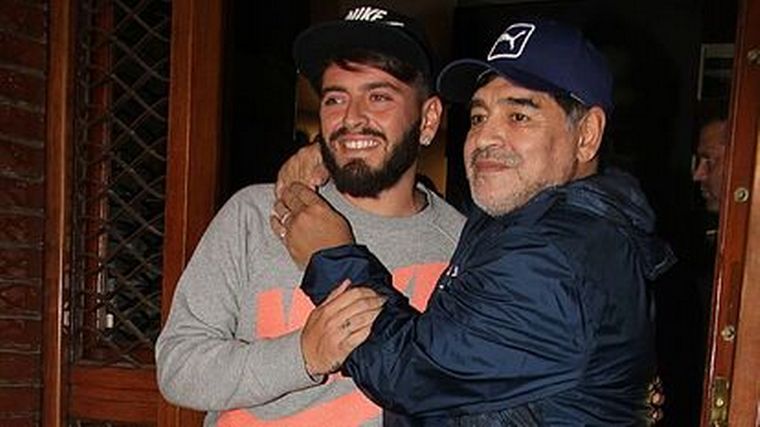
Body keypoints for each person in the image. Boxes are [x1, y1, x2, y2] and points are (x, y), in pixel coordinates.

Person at [275, 19, 676, 425]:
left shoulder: (554, 257)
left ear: (587, 134)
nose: (484, 138)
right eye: (479, 117)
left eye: (519, 116)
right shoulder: (533, 218)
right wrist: (343, 154)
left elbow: (409, 373)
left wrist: (331, 257)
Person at [155, 6, 465, 426]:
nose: (351, 117)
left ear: (428, 119)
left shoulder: (462, 248)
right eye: (335, 98)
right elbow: (178, 368)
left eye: (379, 97)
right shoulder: (256, 215)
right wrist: (303, 354)